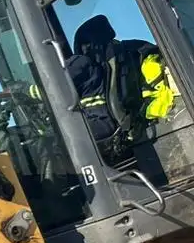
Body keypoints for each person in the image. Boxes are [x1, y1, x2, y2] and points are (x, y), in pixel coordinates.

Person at [65, 14, 178, 158]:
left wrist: (31, 90)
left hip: (104, 128)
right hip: (133, 128)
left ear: (85, 45)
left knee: (58, 141)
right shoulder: (135, 52)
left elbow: (52, 85)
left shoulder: (82, 63)